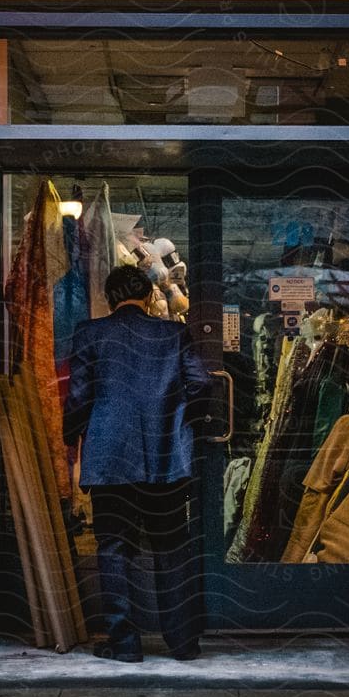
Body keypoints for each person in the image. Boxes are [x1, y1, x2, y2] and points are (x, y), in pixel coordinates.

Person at [63, 264, 217, 662]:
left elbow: (79, 399)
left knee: (113, 547)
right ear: (150, 296)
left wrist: (70, 439)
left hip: (111, 461)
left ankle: (124, 644)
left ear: (110, 299)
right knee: (171, 547)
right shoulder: (172, 334)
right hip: (165, 459)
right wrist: (180, 422)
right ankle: (183, 643)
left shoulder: (90, 334)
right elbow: (200, 384)